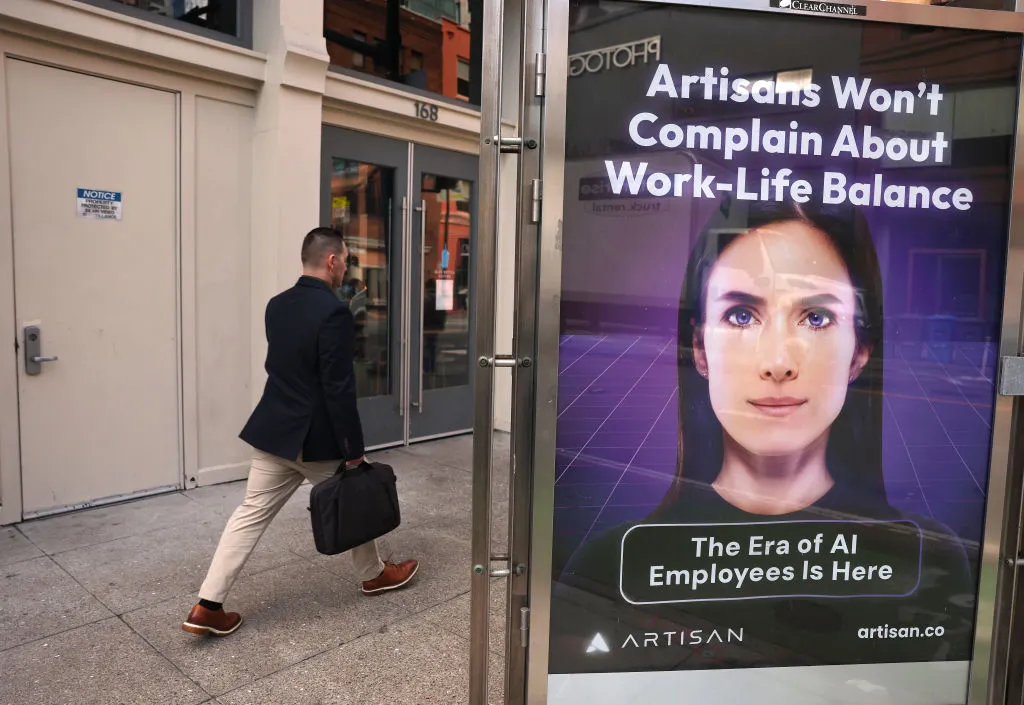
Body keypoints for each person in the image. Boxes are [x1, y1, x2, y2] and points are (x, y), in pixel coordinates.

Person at [550, 199, 975, 673]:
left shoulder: (926, 559)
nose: (778, 362)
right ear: (699, 348)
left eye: (816, 318)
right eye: (740, 315)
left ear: (860, 353)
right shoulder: (609, 565)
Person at [182, 227, 418, 638]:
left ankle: (207, 605)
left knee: (248, 516)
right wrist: (353, 451)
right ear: (332, 261)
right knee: (354, 499)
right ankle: (374, 575)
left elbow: (285, 368)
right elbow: (338, 387)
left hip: (274, 431)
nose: (346, 266)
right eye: (345, 259)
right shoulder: (334, 312)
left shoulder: (277, 305)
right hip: (317, 439)